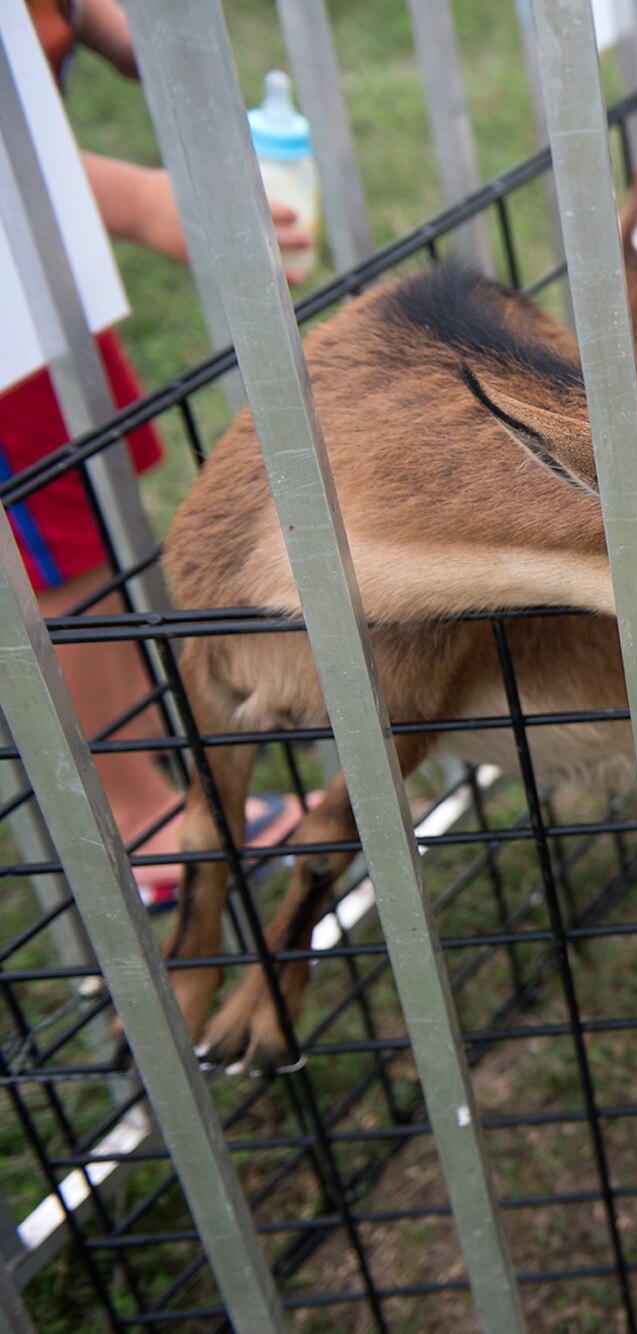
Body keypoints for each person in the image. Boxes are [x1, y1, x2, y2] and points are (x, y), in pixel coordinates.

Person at [4, 0, 310, 904]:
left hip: (32, 270)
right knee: (54, 549)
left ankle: (135, 746)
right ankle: (137, 817)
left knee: (90, 506)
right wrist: (138, 201)